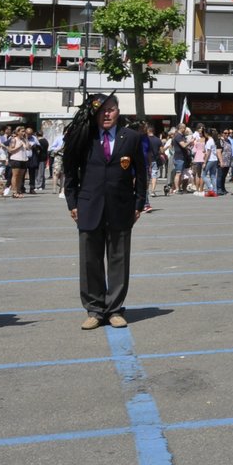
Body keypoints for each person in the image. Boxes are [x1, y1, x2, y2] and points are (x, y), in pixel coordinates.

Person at [62, 94, 149, 328]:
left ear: (118, 111)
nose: (107, 114)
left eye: (111, 109)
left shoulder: (130, 137)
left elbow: (141, 172)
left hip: (121, 206)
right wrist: (72, 203)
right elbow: (70, 171)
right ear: (95, 114)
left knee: (119, 259)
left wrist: (139, 203)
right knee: (90, 260)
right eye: (102, 111)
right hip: (89, 206)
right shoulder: (84, 136)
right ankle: (94, 309)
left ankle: (114, 309)